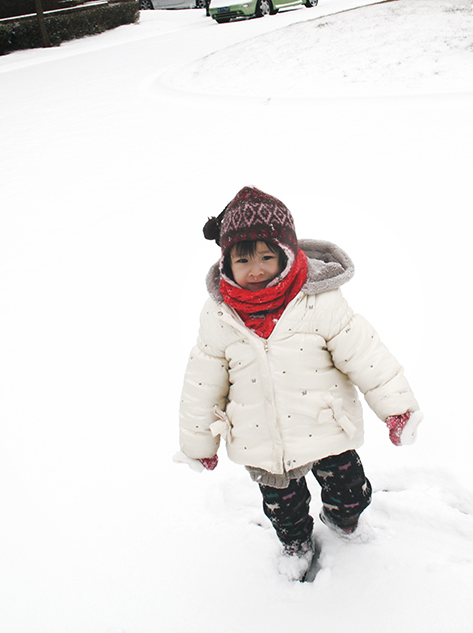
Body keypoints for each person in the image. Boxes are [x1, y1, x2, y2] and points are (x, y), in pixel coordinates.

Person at [175, 185, 422, 581]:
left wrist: (396, 408)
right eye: (243, 259)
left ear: (286, 256)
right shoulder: (219, 316)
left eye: (266, 257)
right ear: (226, 263)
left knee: (351, 493)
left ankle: (345, 522)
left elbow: (364, 354)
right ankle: (296, 543)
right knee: (283, 508)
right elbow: (202, 382)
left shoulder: (318, 302)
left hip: (326, 424)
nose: (255, 269)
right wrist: (198, 442)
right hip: (263, 441)